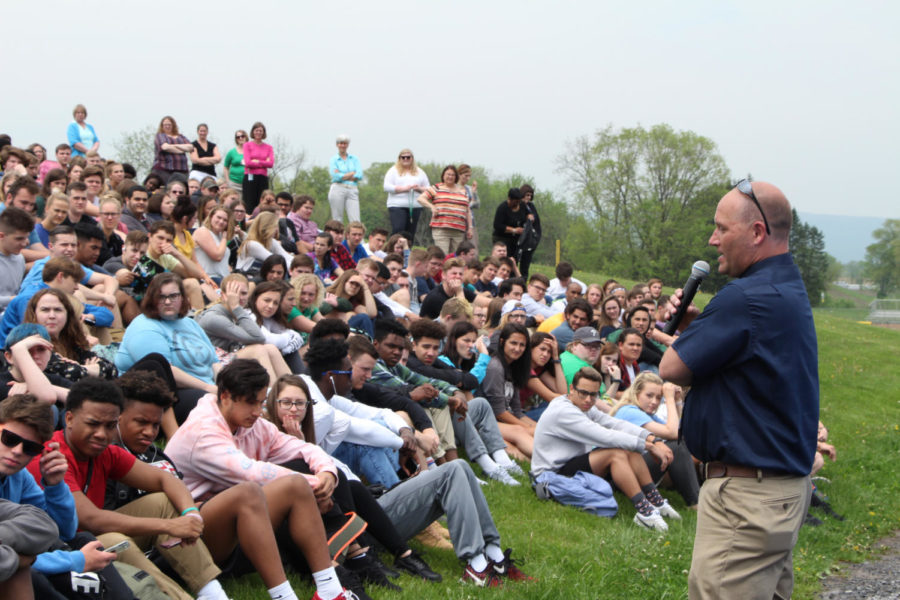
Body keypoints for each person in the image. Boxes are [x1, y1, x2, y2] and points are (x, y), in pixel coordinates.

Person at [659, 179, 817, 599]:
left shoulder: (745, 297)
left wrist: (691, 336)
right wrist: (703, 332)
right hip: (778, 492)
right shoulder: (785, 287)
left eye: (721, 229)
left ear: (757, 233)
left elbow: (672, 368)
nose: (713, 240)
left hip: (746, 500)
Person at [163, 360, 369, 600]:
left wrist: (325, 472)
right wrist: (315, 486)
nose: (257, 411)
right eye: (251, 402)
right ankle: (286, 595)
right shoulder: (202, 431)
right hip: (190, 538)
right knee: (259, 490)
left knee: (298, 482)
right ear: (226, 396)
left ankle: (330, 590)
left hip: (233, 524)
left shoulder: (251, 423)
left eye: (261, 402)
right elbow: (250, 472)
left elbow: (298, 447)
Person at [27, 376, 234, 600]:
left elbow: (166, 480)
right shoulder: (52, 456)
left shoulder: (106, 452)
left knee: (162, 502)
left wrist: (191, 515)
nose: (102, 434)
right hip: (59, 551)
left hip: (89, 538)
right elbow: (89, 519)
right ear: (69, 418)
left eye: (109, 426)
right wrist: (170, 525)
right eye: (93, 424)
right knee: (114, 540)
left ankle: (213, 594)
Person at [531, 366, 679, 532]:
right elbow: (604, 435)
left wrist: (652, 438)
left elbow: (615, 424)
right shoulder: (564, 411)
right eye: (583, 393)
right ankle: (644, 511)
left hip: (572, 464)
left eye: (593, 395)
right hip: (552, 474)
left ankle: (655, 500)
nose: (588, 399)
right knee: (616, 452)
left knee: (628, 448)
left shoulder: (584, 406)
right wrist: (649, 446)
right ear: (571, 389)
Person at [115, 273, 218, 423]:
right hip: (166, 396)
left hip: (206, 386)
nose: (168, 301)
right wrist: (209, 389)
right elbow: (164, 371)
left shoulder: (189, 323)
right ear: (151, 299)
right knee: (210, 403)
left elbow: (214, 361)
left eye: (173, 296)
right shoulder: (144, 326)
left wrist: (225, 386)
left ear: (182, 297)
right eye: (161, 297)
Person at [610, 372, 699, 508]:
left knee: (680, 446)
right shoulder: (629, 411)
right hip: (620, 475)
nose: (654, 402)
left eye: (658, 398)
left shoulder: (646, 414)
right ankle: (695, 503)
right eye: (649, 395)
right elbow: (673, 433)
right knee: (676, 447)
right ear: (636, 393)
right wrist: (668, 399)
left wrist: (677, 401)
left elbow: (681, 431)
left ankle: (698, 495)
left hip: (636, 469)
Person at [481, 323, 536, 458]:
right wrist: (527, 429)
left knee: (541, 430)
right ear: (502, 342)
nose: (517, 349)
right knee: (521, 431)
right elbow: (499, 412)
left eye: (522, 345)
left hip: (505, 421)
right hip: (488, 422)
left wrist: (536, 428)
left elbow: (517, 411)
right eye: (513, 343)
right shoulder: (495, 367)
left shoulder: (514, 367)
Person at [416, 165, 471, 254]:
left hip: (458, 229)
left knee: (455, 257)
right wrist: (432, 207)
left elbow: (467, 210)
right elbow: (421, 199)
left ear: (456, 177)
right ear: (443, 175)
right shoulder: (437, 188)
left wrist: (470, 228)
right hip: (441, 228)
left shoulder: (462, 191)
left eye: (452, 175)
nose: (450, 177)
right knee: (443, 255)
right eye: (448, 174)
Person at [384, 149, 429, 238]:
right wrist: (403, 189)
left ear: (412, 158)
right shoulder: (393, 171)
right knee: (399, 229)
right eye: (403, 157)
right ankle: (393, 250)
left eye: (408, 157)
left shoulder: (420, 172)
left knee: (410, 233)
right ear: (399, 159)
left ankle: (407, 250)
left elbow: (428, 188)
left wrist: (418, 188)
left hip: (415, 206)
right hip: (397, 205)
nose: (405, 159)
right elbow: (386, 186)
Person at [492, 188, 529, 270]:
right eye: (515, 201)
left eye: (518, 201)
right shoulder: (502, 208)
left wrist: (529, 216)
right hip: (502, 237)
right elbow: (497, 225)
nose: (517, 204)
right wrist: (514, 230)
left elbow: (527, 213)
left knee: (514, 260)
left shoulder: (522, 205)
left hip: (516, 240)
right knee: (503, 259)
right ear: (510, 199)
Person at [328, 135, 362, 223]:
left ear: (347, 145)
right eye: (341, 143)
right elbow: (335, 176)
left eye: (345, 143)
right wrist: (351, 173)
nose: (343, 145)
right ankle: (338, 236)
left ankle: (356, 236)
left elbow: (359, 175)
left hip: (352, 189)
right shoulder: (334, 159)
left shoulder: (354, 159)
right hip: (338, 188)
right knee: (337, 218)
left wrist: (342, 176)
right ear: (337, 145)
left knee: (355, 219)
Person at [242, 122, 274, 214]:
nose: (258, 133)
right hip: (250, 177)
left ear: (264, 133)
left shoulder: (268, 147)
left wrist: (257, 161)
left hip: (262, 177)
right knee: (249, 202)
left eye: (260, 131)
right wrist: (264, 162)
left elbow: (271, 164)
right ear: (253, 132)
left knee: (263, 202)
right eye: (256, 130)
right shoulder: (247, 145)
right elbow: (248, 163)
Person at [151, 116, 193, 182]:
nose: (167, 126)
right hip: (164, 169)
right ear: (162, 126)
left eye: (169, 124)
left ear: (173, 125)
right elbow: (165, 147)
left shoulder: (181, 136)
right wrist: (182, 150)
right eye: (165, 125)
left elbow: (190, 147)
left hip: (182, 169)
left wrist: (173, 146)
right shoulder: (160, 135)